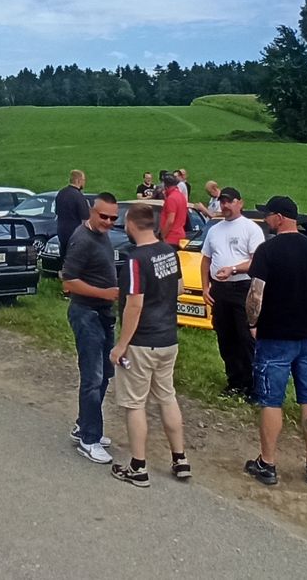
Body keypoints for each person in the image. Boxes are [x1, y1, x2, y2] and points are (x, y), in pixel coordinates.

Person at [244, 195, 307, 487]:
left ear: (280, 217)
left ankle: (267, 464)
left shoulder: (267, 250)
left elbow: (256, 293)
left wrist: (252, 323)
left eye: (268, 215)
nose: (265, 220)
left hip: (275, 336)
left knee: (271, 401)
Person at [107, 204, 189, 487]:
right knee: (167, 397)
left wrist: (121, 345)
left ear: (130, 224)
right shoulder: (169, 251)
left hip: (142, 342)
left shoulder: (135, 260)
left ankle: (138, 466)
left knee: (134, 404)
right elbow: (179, 288)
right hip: (168, 339)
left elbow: (135, 304)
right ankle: (180, 458)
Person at [62, 192, 121, 463]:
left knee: (105, 372)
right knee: (93, 377)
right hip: (86, 313)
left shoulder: (102, 235)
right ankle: (89, 439)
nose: (108, 222)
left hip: (104, 314)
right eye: (104, 216)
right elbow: (69, 281)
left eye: (113, 218)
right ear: (91, 212)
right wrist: (104, 293)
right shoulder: (82, 239)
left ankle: (83, 424)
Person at [202, 187, 264, 397]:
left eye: (229, 201)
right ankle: (234, 381)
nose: (225, 205)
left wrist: (234, 269)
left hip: (242, 287)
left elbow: (256, 261)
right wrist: (205, 287)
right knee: (225, 335)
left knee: (245, 337)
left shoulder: (251, 229)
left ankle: (251, 384)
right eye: (222, 202)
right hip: (220, 290)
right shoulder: (214, 230)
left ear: (240, 203)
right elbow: (206, 260)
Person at [54, 169, 89, 262]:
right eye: (83, 180)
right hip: (75, 235)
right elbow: (85, 219)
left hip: (61, 233)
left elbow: (57, 213)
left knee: (65, 259)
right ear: (78, 180)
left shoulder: (61, 193)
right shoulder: (79, 196)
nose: (84, 183)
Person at [158, 173, 188, 247]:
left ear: (166, 186)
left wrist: (162, 236)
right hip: (180, 235)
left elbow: (170, 220)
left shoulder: (171, 198)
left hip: (171, 238)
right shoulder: (181, 196)